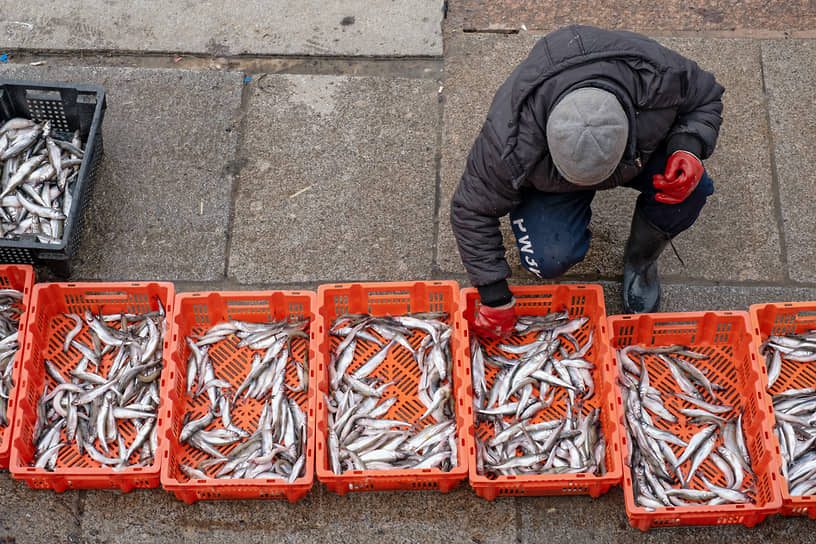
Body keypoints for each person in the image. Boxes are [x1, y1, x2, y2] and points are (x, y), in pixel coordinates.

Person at [450, 25, 724, 338]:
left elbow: (706, 98)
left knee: (693, 188)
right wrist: (494, 295)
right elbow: (469, 210)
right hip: (552, 179)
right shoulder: (509, 142)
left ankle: (641, 261)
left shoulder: (659, 77)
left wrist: (688, 148)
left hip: (636, 156)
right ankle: (552, 201)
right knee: (547, 259)